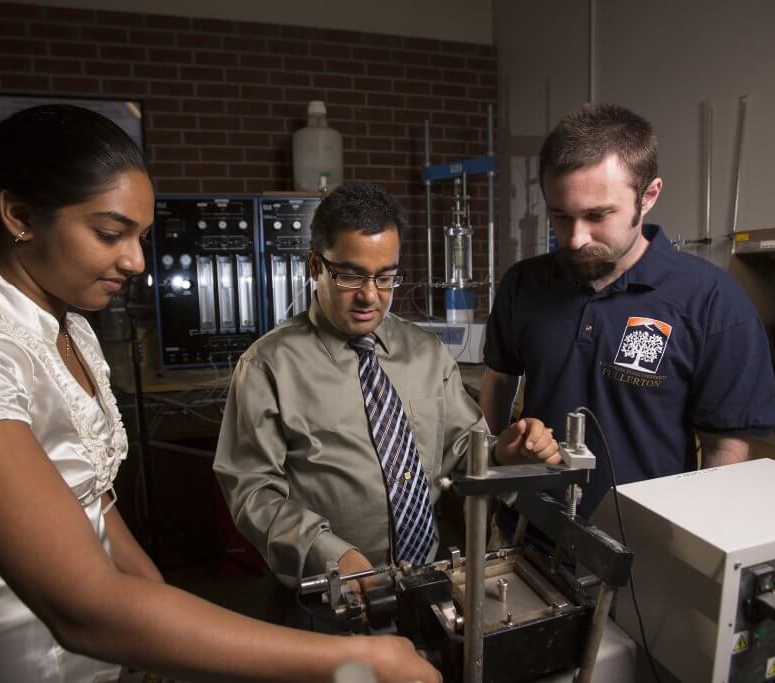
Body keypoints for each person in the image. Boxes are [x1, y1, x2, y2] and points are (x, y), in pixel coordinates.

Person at [0, 105, 439, 683]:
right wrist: (357, 657)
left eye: (141, 237)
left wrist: (156, 653)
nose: (137, 261)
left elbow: (97, 512)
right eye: (109, 233)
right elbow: (82, 609)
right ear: (19, 214)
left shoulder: (72, 332)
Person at [213, 183, 560, 602]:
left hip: (430, 582)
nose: (370, 295)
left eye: (386, 277)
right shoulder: (268, 366)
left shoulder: (426, 353)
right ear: (313, 266)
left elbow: (466, 450)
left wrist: (505, 452)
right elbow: (253, 491)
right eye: (349, 275)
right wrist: (328, 553)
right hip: (332, 596)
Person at [479, 103, 775, 521]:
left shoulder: (713, 302)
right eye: (560, 216)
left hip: (644, 548)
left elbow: (724, 448)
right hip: (530, 531)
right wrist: (489, 480)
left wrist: (693, 549)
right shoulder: (523, 284)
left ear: (649, 195)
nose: (577, 238)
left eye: (597, 215)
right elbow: (499, 383)